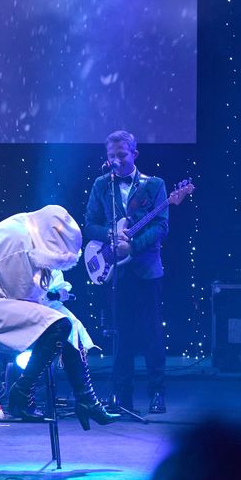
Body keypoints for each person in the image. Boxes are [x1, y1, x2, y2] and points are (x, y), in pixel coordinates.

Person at [0, 205, 120, 429]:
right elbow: (20, 293)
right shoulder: (18, 243)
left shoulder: (37, 233)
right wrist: (50, 296)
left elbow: (39, 283)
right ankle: (22, 392)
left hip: (5, 296)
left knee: (70, 324)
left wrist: (54, 292)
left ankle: (86, 400)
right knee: (59, 325)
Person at [83, 130, 169, 414]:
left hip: (146, 270)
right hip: (116, 274)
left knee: (152, 334)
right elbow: (90, 224)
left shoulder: (154, 185)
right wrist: (111, 237)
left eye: (122, 155)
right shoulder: (100, 185)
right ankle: (122, 395)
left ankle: (157, 393)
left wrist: (132, 247)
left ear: (134, 154)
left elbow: (160, 227)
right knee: (122, 334)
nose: (117, 160)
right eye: (112, 156)